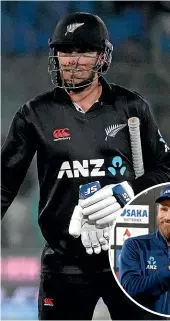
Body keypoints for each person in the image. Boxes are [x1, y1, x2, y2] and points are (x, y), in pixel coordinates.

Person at [1, 11, 170, 320]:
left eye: (84, 51)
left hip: (127, 257)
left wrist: (127, 191)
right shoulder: (34, 114)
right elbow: (3, 183)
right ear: (55, 55)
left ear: (102, 57)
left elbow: (167, 169)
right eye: (66, 50)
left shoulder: (131, 106)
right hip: (64, 263)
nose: (73, 60)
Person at [119, 185, 170, 316]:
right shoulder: (135, 245)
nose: (168, 217)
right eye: (164, 209)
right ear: (157, 211)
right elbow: (130, 289)